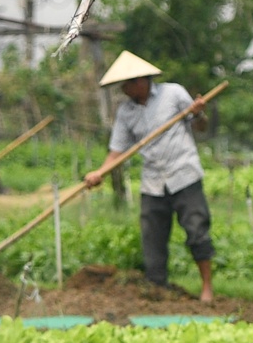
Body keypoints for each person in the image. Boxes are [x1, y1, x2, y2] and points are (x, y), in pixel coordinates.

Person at [82, 50, 214, 303]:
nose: (123, 89)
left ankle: (207, 287)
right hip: (153, 182)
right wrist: (99, 173)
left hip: (184, 174)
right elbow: (117, 150)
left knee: (197, 230)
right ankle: (157, 289)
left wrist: (198, 112)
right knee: (152, 238)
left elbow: (201, 127)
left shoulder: (173, 94)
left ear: (140, 81)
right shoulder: (126, 112)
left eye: (126, 84)